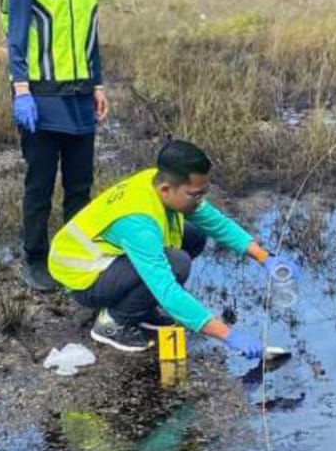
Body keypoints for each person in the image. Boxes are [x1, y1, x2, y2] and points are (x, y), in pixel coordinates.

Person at [47, 139, 300, 357]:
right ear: (167, 189)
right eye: (195, 195)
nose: (200, 201)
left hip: (108, 258)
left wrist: (265, 258)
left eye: (203, 193)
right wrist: (229, 336)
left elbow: (216, 223)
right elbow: (167, 291)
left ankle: (140, 310)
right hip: (82, 278)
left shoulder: (158, 181)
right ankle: (112, 323)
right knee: (177, 264)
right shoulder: (139, 224)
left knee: (194, 235)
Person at [0, 0, 108, 292]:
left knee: (80, 185)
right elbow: (15, 36)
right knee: (40, 183)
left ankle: (72, 255)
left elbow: (92, 38)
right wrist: (21, 89)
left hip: (80, 99)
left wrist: (97, 84)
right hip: (41, 98)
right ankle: (35, 258)